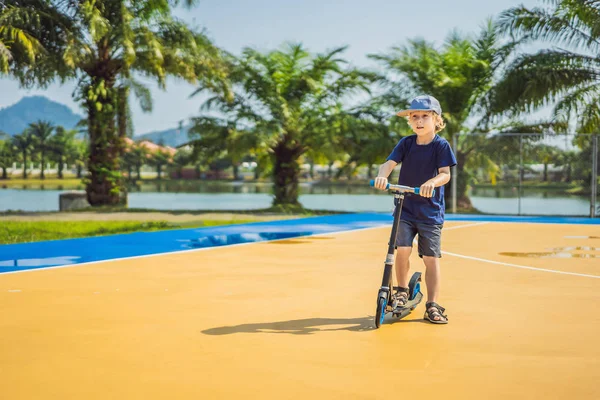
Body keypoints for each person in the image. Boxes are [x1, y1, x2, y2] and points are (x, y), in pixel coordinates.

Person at [373, 95, 457, 324]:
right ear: (410, 120)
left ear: (436, 120)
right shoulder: (406, 143)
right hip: (406, 207)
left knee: (431, 257)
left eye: (425, 116)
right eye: (414, 117)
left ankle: (433, 304)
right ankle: (401, 291)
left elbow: (445, 174)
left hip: (430, 211)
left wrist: (432, 182)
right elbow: (388, 164)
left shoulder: (441, 145)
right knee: (401, 249)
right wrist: (382, 176)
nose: (419, 121)